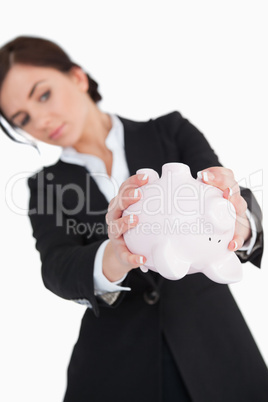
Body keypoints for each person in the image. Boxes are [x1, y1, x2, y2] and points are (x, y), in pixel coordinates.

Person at [0, 36, 267, 402]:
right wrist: (115, 254)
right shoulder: (46, 186)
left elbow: (225, 194)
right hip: (115, 369)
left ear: (77, 77)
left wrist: (239, 222)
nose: (42, 121)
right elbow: (57, 266)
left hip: (216, 350)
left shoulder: (170, 132)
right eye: (23, 119)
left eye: (43, 95)